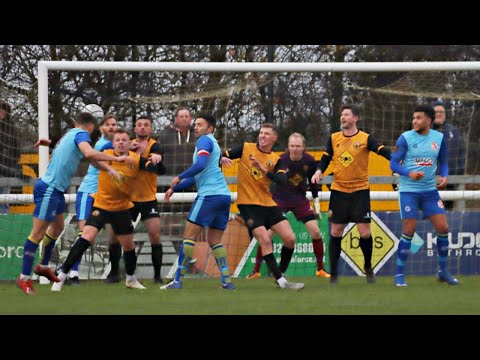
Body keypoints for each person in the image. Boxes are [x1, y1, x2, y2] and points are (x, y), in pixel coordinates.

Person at [17, 112, 130, 295]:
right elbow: (89, 153)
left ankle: (43, 266)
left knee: (57, 228)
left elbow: (91, 159)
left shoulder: (70, 134)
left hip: (56, 190)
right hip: (49, 188)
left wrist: (109, 169)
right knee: (36, 234)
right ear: (91, 126)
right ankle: (24, 278)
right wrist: (116, 159)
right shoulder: (81, 134)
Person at [52, 129, 166, 292]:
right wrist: (111, 166)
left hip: (122, 208)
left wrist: (157, 161)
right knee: (86, 236)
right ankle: (62, 275)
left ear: (130, 143)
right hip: (102, 206)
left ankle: (131, 279)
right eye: (117, 140)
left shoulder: (135, 159)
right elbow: (91, 158)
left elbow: (159, 171)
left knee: (128, 246)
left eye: (124, 140)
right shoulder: (105, 154)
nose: (120, 142)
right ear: (113, 144)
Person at [311, 104, 391, 285]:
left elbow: (381, 150)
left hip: (360, 191)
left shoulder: (365, 138)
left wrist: (397, 159)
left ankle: (368, 267)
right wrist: (318, 171)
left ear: (355, 118)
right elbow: (325, 158)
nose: (343, 117)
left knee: (364, 233)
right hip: (339, 191)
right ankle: (334, 275)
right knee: (336, 231)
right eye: (342, 115)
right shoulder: (333, 138)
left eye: (346, 115)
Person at [222, 123, 304, 290]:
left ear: (274, 138)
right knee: (265, 240)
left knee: (290, 239)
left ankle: (279, 274)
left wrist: (262, 169)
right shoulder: (246, 148)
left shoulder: (276, 159)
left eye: (267, 134)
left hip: (268, 204)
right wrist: (222, 157)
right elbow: (221, 156)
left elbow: (281, 181)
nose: (262, 136)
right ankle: (282, 282)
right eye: (261, 133)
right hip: (248, 205)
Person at [160, 113, 235, 290]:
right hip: (224, 197)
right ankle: (226, 281)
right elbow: (198, 176)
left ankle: (177, 281)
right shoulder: (213, 144)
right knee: (214, 240)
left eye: (200, 124)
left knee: (189, 236)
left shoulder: (204, 141)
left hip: (209, 196)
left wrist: (179, 176)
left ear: (210, 128)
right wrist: (174, 189)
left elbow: (199, 166)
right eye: (196, 124)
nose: (196, 127)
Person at [390, 104, 459, 287]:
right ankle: (399, 275)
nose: (414, 121)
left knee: (443, 228)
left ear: (429, 120)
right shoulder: (405, 138)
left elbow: (443, 160)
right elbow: (393, 164)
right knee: (409, 231)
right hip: (409, 191)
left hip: (430, 191)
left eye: (418, 118)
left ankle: (442, 272)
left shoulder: (439, 138)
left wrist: (444, 175)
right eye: (413, 118)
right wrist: (408, 173)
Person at [247, 132, 330, 279]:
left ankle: (320, 270)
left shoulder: (309, 161)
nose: (295, 149)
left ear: (303, 147)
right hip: (279, 199)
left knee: (316, 232)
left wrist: (316, 201)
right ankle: (256, 271)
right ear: (288, 147)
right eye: (292, 146)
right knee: (267, 236)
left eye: (298, 146)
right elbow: (269, 177)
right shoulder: (280, 160)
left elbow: (313, 181)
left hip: (300, 201)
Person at [104, 115, 165, 284]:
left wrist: (155, 161)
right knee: (115, 235)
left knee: (154, 233)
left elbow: (160, 169)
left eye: (146, 125)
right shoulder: (126, 144)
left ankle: (158, 276)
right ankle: (114, 273)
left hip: (147, 198)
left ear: (151, 129)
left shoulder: (155, 146)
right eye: (139, 125)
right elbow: (112, 154)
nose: (143, 128)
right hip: (127, 198)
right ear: (135, 129)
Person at [61, 113, 118, 285]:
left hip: (104, 196)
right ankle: (72, 272)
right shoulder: (103, 144)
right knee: (84, 233)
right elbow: (118, 150)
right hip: (88, 192)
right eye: (108, 124)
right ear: (100, 128)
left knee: (114, 234)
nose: (112, 127)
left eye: (114, 124)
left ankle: (114, 273)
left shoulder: (112, 143)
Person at [432, 100, 467, 210]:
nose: (439, 114)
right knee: (430, 211)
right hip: (430, 181)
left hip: (451, 180)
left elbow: (462, 152)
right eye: (436, 111)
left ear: (445, 114)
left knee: (448, 211)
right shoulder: (424, 131)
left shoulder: (453, 130)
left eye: (441, 112)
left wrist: (459, 170)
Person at [0, 99, 21, 214]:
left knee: (4, 199)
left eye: (3, 110)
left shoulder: (11, 128)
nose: (1, 112)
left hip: (7, 168)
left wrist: (13, 165)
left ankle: (4, 217)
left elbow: (16, 148)